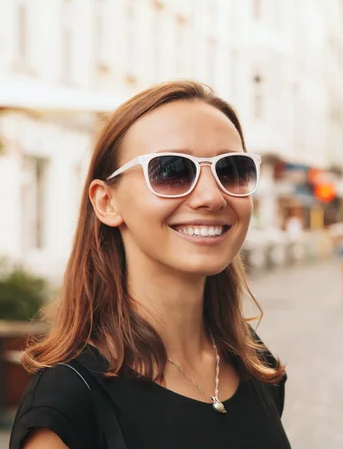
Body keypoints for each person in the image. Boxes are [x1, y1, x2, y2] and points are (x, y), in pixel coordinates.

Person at [10, 81, 290, 448]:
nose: (211, 195)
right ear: (107, 202)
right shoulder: (69, 401)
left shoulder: (255, 363)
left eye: (232, 169)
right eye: (172, 171)